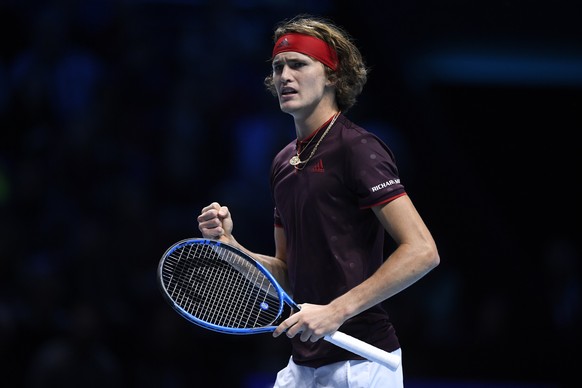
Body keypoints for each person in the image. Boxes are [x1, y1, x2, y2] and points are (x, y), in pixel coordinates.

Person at [197, 14, 440, 388]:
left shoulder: (358, 148)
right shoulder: (282, 162)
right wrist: (231, 247)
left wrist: (335, 311)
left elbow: (423, 251)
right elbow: (288, 274)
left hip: (362, 363)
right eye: (278, 67)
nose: (284, 76)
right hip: (302, 366)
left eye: (298, 64)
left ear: (331, 76)